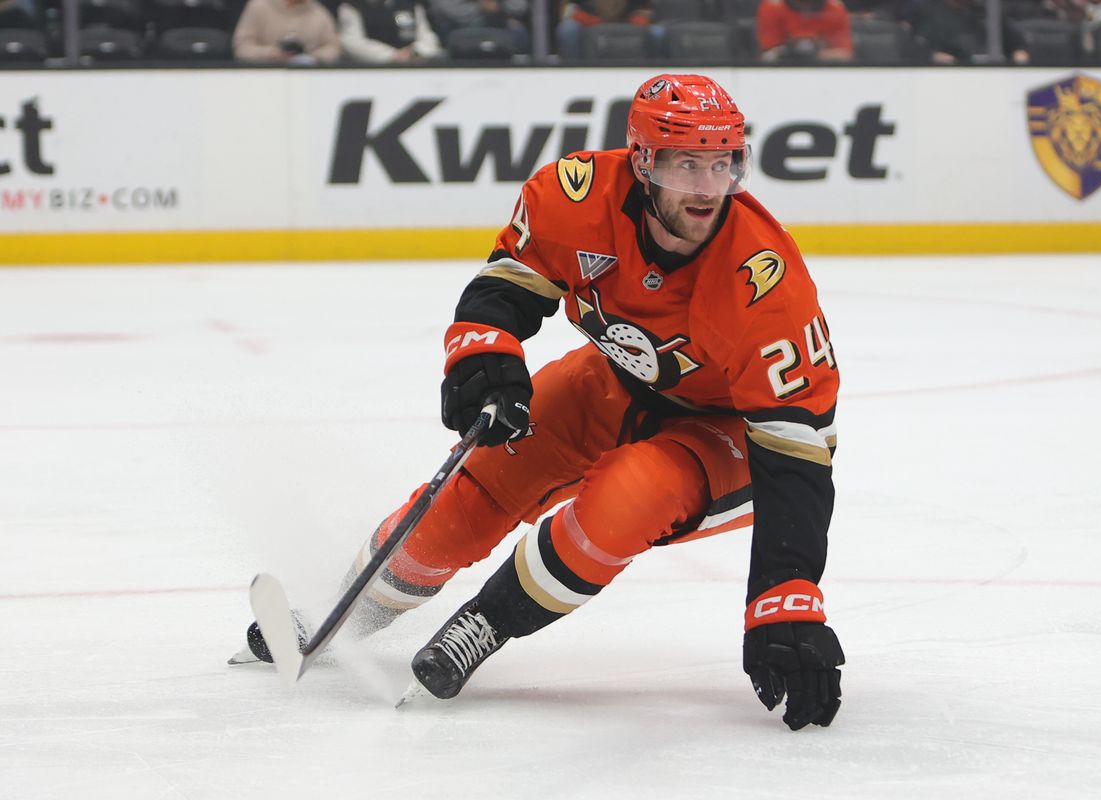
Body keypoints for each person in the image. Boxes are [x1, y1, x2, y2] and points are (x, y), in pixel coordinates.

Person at [236, 73, 845, 732]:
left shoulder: (764, 285)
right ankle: (345, 616)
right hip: (616, 383)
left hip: (733, 436)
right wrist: (486, 359)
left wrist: (786, 599)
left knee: (626, 497)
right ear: (643, 160)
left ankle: (485, 624)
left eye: (722, 162)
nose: (707, 187)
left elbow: (795, 452)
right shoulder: (576, 197)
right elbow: (509, 282)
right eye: (687, 162)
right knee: (462, 506)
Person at [232, 0, 341, 63]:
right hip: (262, 78)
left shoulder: (320, 14)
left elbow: (333, 48)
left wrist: (311, 57)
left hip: (306, 81)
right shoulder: (259, 7)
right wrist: (272, 53)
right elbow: (242, 47)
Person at [337, 0, 441, 62]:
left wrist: (415, 51)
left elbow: (427, 36)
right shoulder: (352, 6)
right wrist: (392, 55)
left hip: (415, 66)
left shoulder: (410, 4)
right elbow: (351, 42)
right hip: (372, 71)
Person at [757, 0, 855, 62]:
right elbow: (767, 56)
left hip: (824, 72)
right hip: (782, 72)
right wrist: (790, 53)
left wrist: (814, 55)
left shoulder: (835, 8)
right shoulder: (772, 7)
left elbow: (845, 55)